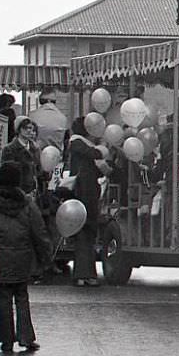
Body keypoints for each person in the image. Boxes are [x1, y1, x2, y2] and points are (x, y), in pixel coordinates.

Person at [0, 162, 51, 352]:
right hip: (23, 258)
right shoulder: (27, 204)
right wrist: (45, 258)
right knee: (22, 297)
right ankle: (26, 337)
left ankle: (6, 339)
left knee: (3, 298)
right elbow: (39, 232)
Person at [69, 116, 109, 287]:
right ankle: (84, 273)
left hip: (87, 193)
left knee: (87, 235)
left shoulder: (79, 145)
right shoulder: (78, 144)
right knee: (85, 233)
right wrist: (102, 150)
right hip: (84, 193)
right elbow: (95, 154)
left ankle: (85, 273)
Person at [2, 115, 43, 196]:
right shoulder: (9, 149)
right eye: (25, 128)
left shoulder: (35, 148)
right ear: (18, 130)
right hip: (17, 194)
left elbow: (39, 170)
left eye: (31, 128)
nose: (29, 131)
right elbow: (7, 174)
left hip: (35, 192)